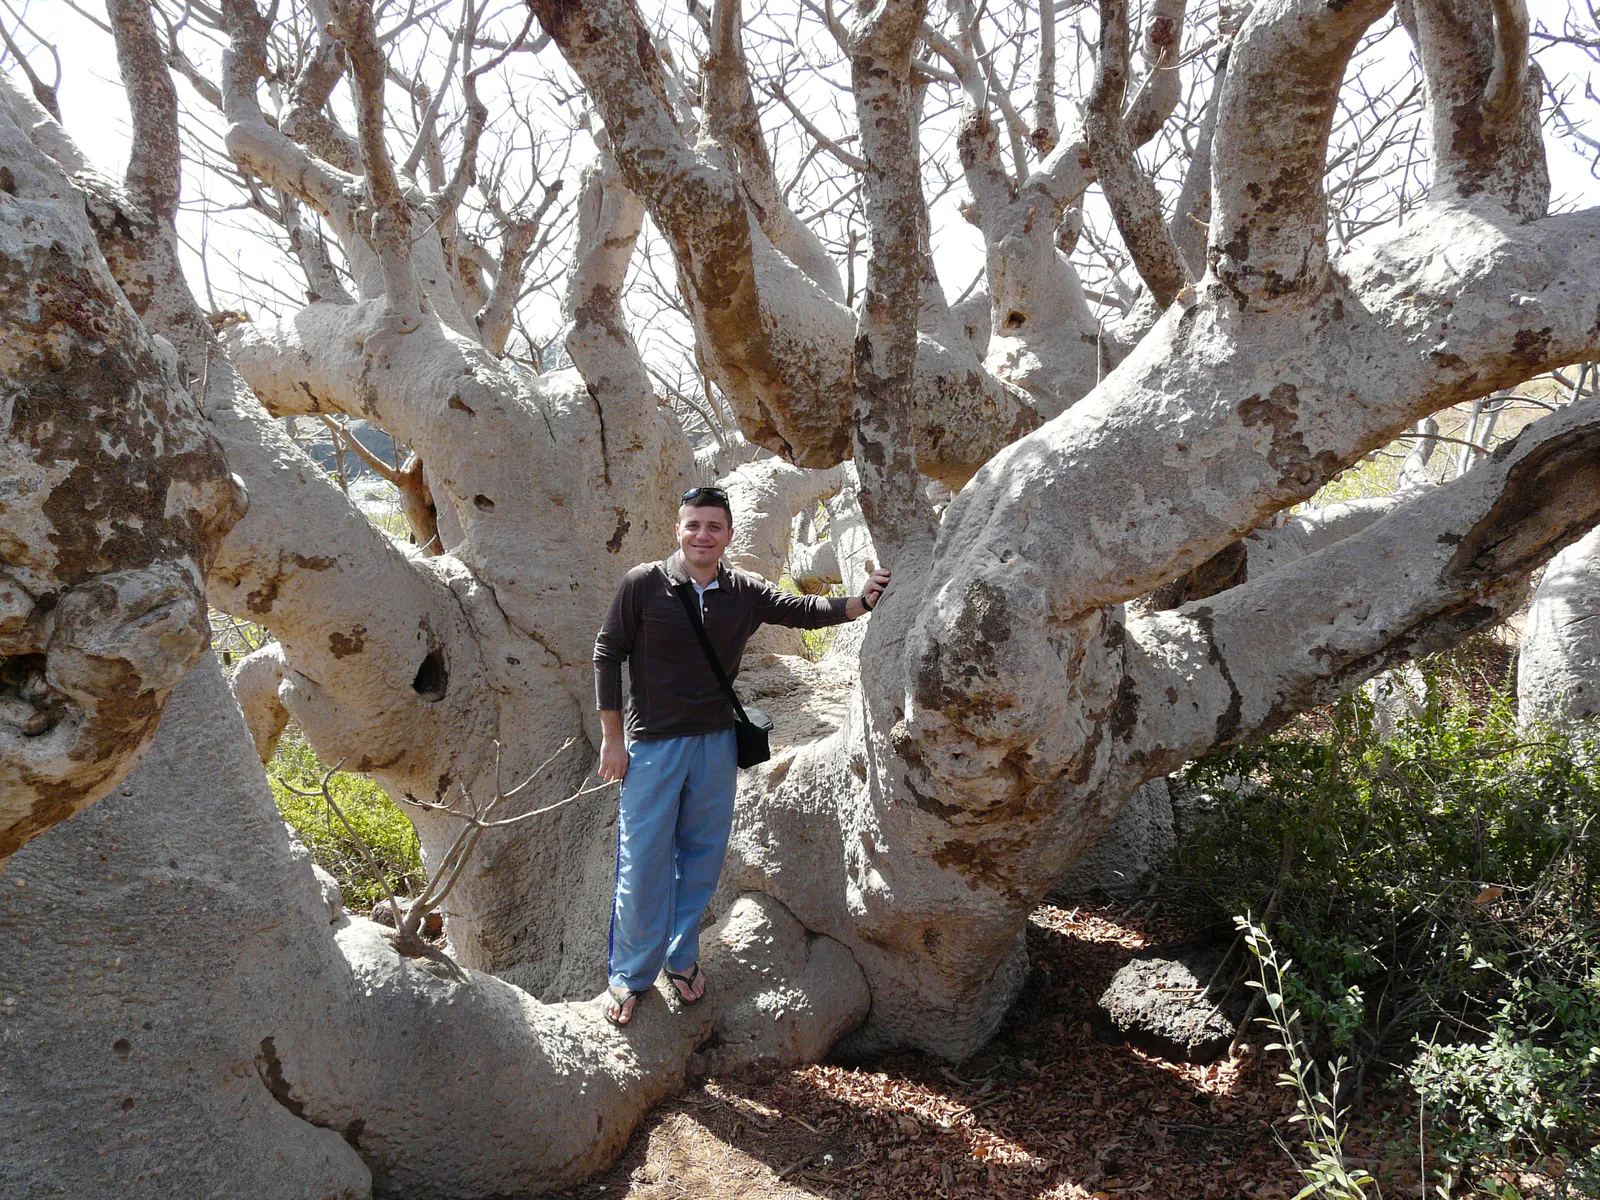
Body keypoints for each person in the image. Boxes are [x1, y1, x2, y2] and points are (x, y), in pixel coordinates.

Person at [593, 485, 891, 1026]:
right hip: (653, 747)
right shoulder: (643, 584)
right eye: (693, 525)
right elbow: (607, 653)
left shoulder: (743, 591)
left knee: (702, 859)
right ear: (677, 530)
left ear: (729, 535)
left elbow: (802, 611)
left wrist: (862, 600)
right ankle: (630, 975)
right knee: (643, 863)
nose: (702, 535)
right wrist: (613, 739)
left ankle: (681, 959)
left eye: (713, 527)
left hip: (715, 743)